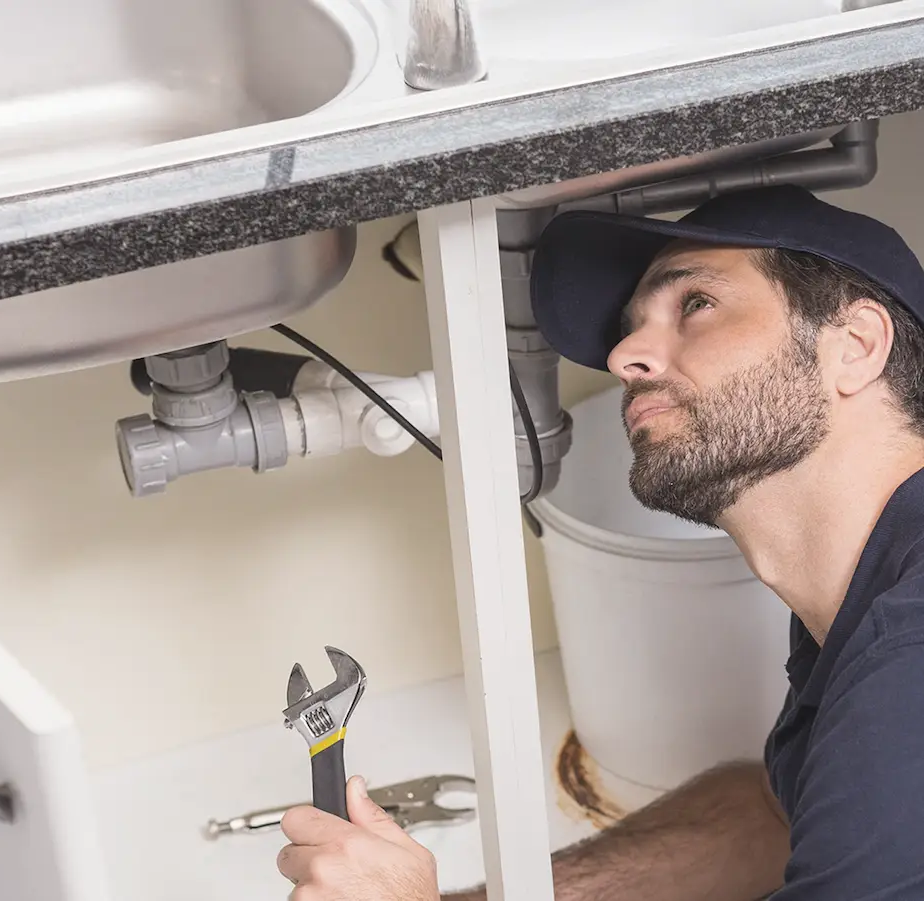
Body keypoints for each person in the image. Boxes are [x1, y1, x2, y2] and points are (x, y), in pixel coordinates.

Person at [275, 183, 924, 900]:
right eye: (632, 324)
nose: (624, 356)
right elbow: (776, 816)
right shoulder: (861, 597)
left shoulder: (907, 660)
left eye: (696, 305)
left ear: (856, 346)